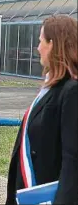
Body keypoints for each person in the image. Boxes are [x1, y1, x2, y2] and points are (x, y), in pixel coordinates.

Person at [5, 15, 78, 204]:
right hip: (31, 190)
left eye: (40, 41)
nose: (37, 48)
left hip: (49, 194)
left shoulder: (71, 91)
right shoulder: (52, 87)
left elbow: (72, 159)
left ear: (52, 44)